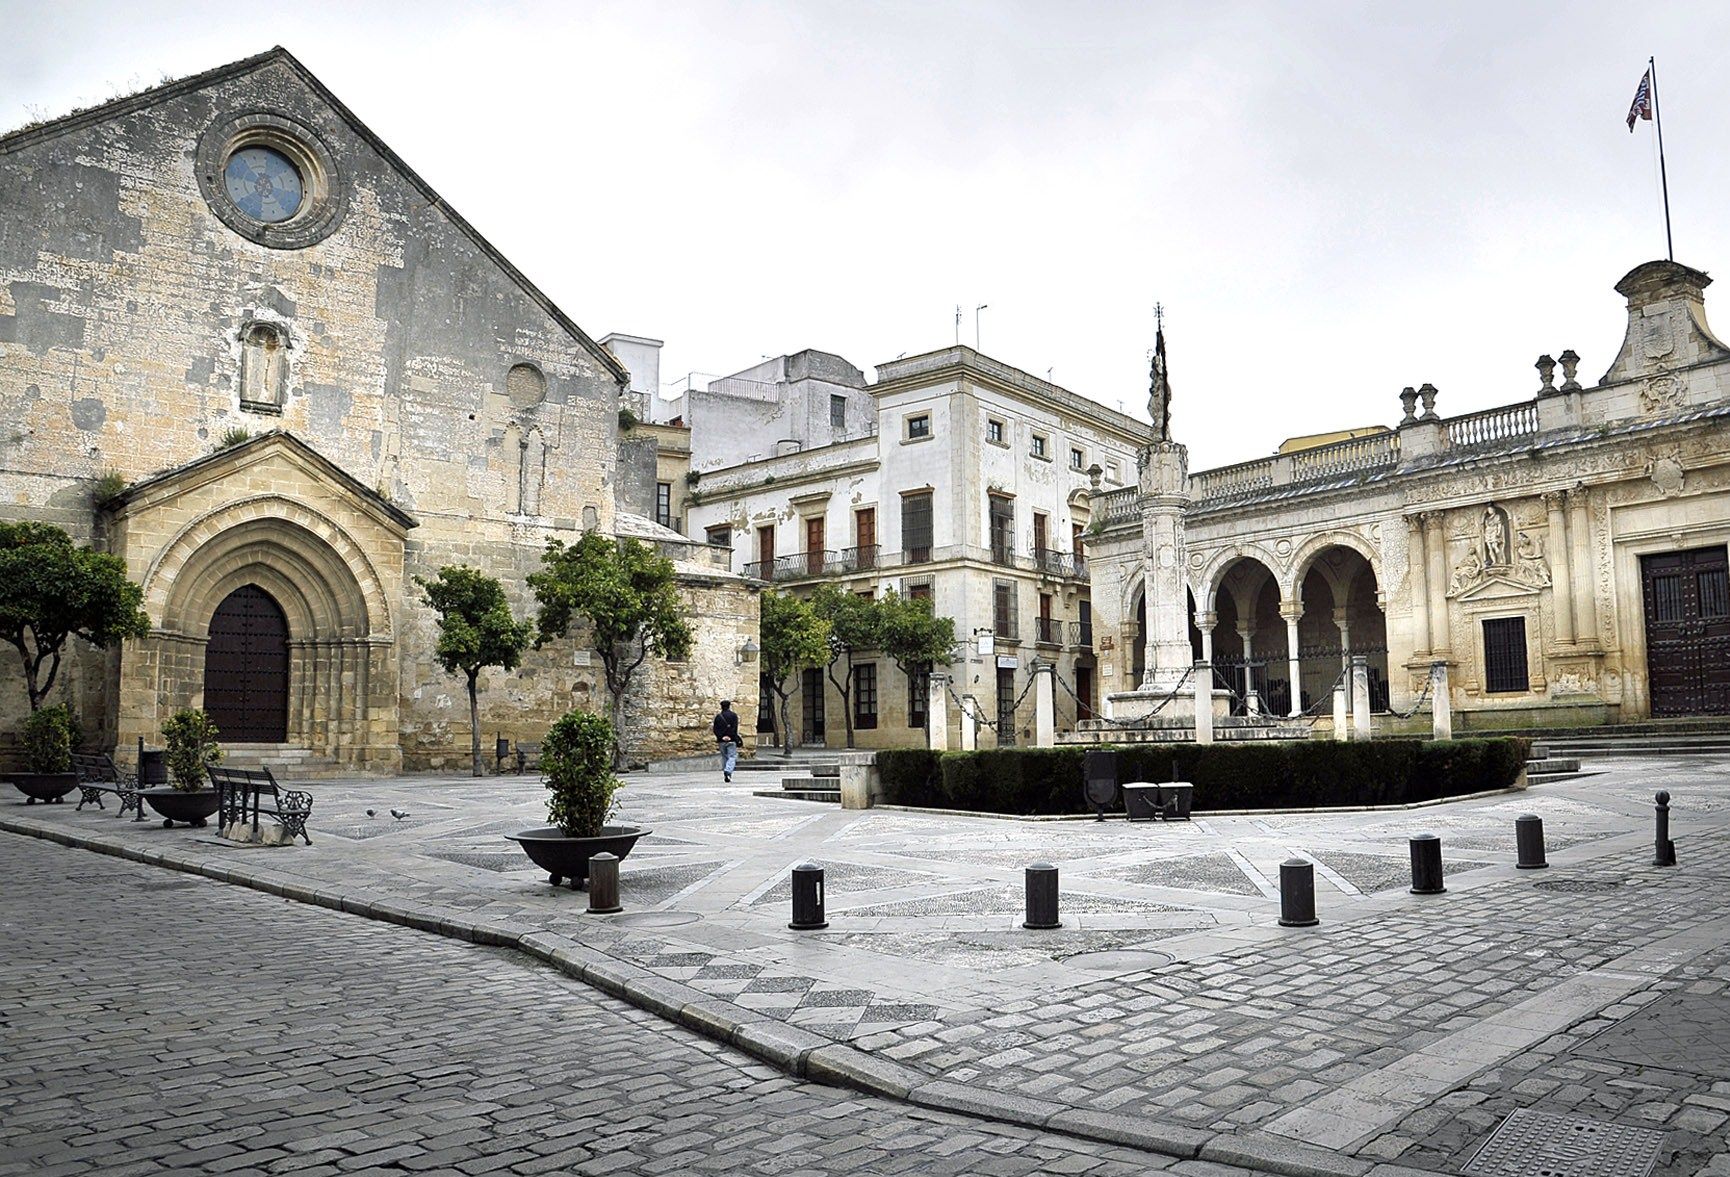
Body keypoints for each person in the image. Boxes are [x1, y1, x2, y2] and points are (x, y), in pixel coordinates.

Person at [712, 700, 740, 782]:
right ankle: (728, 771)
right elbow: (735, 728)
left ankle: (727, 773)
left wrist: (721, 736)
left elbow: (715, 729)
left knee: (724, 757)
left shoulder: (718, 717)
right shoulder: (734, 716)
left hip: (721, 740)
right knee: (732, 756)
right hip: (731, 740)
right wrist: (730, 736)